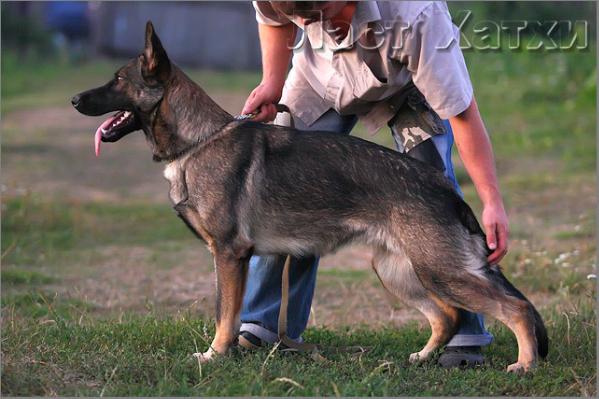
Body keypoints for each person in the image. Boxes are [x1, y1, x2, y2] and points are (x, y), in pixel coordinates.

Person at [238, 1, 509, 368]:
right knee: (282, 186)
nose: (325, 27)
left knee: (430, 194)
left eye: (331, 15)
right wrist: (272, 82)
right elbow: (271, 20)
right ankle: (266, 325)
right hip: (322, 76)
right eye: (308, 20)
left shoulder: (418, 17)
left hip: (406, 83)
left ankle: (464, 331)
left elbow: (462, 115)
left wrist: (492, 199)